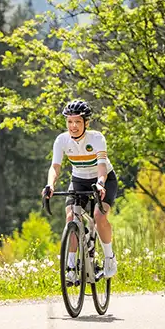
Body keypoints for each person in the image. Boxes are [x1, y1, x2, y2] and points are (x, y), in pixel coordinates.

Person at [42, 99, 118, 283]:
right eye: (69, 122)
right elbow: (55, 167)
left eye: (77, 122)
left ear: (86, 123)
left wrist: (100, 182)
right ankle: (70, 267)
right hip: (78, 180)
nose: (73, 126)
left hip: (104, 179)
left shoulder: (97, 138)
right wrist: (50, 184)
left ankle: (110, 259)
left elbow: (101, 166)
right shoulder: (61, 140)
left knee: (99, 216)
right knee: (71, 218)